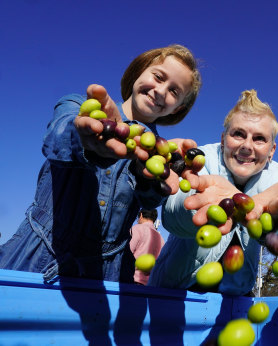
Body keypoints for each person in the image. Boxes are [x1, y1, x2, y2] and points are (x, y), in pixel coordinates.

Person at [0, 44, 202, 283]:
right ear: (138, 72)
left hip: (108, 273)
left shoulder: (161, 151)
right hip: (37, 255)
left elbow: (150, 200)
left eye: (174, 91)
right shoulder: (79, 105)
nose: (160, 91)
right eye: (158, 77)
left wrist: (148, 173)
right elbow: (57, 136)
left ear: (176, 108)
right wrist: (84, 139)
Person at [148, 90, 278, 296]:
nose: (247, 146)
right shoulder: (202, 160)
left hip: (235, 298)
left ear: (272, 150)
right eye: (238, 134)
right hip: (174, 290)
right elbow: (173, 214)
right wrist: (202, 208)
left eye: (259, 139)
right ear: (223, 139)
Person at [129, 209, 165, 285]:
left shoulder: (137, 229)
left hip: (133, 280)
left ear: (141, 215)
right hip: (151, 284)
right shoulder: (161, 239)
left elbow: (127, 253)